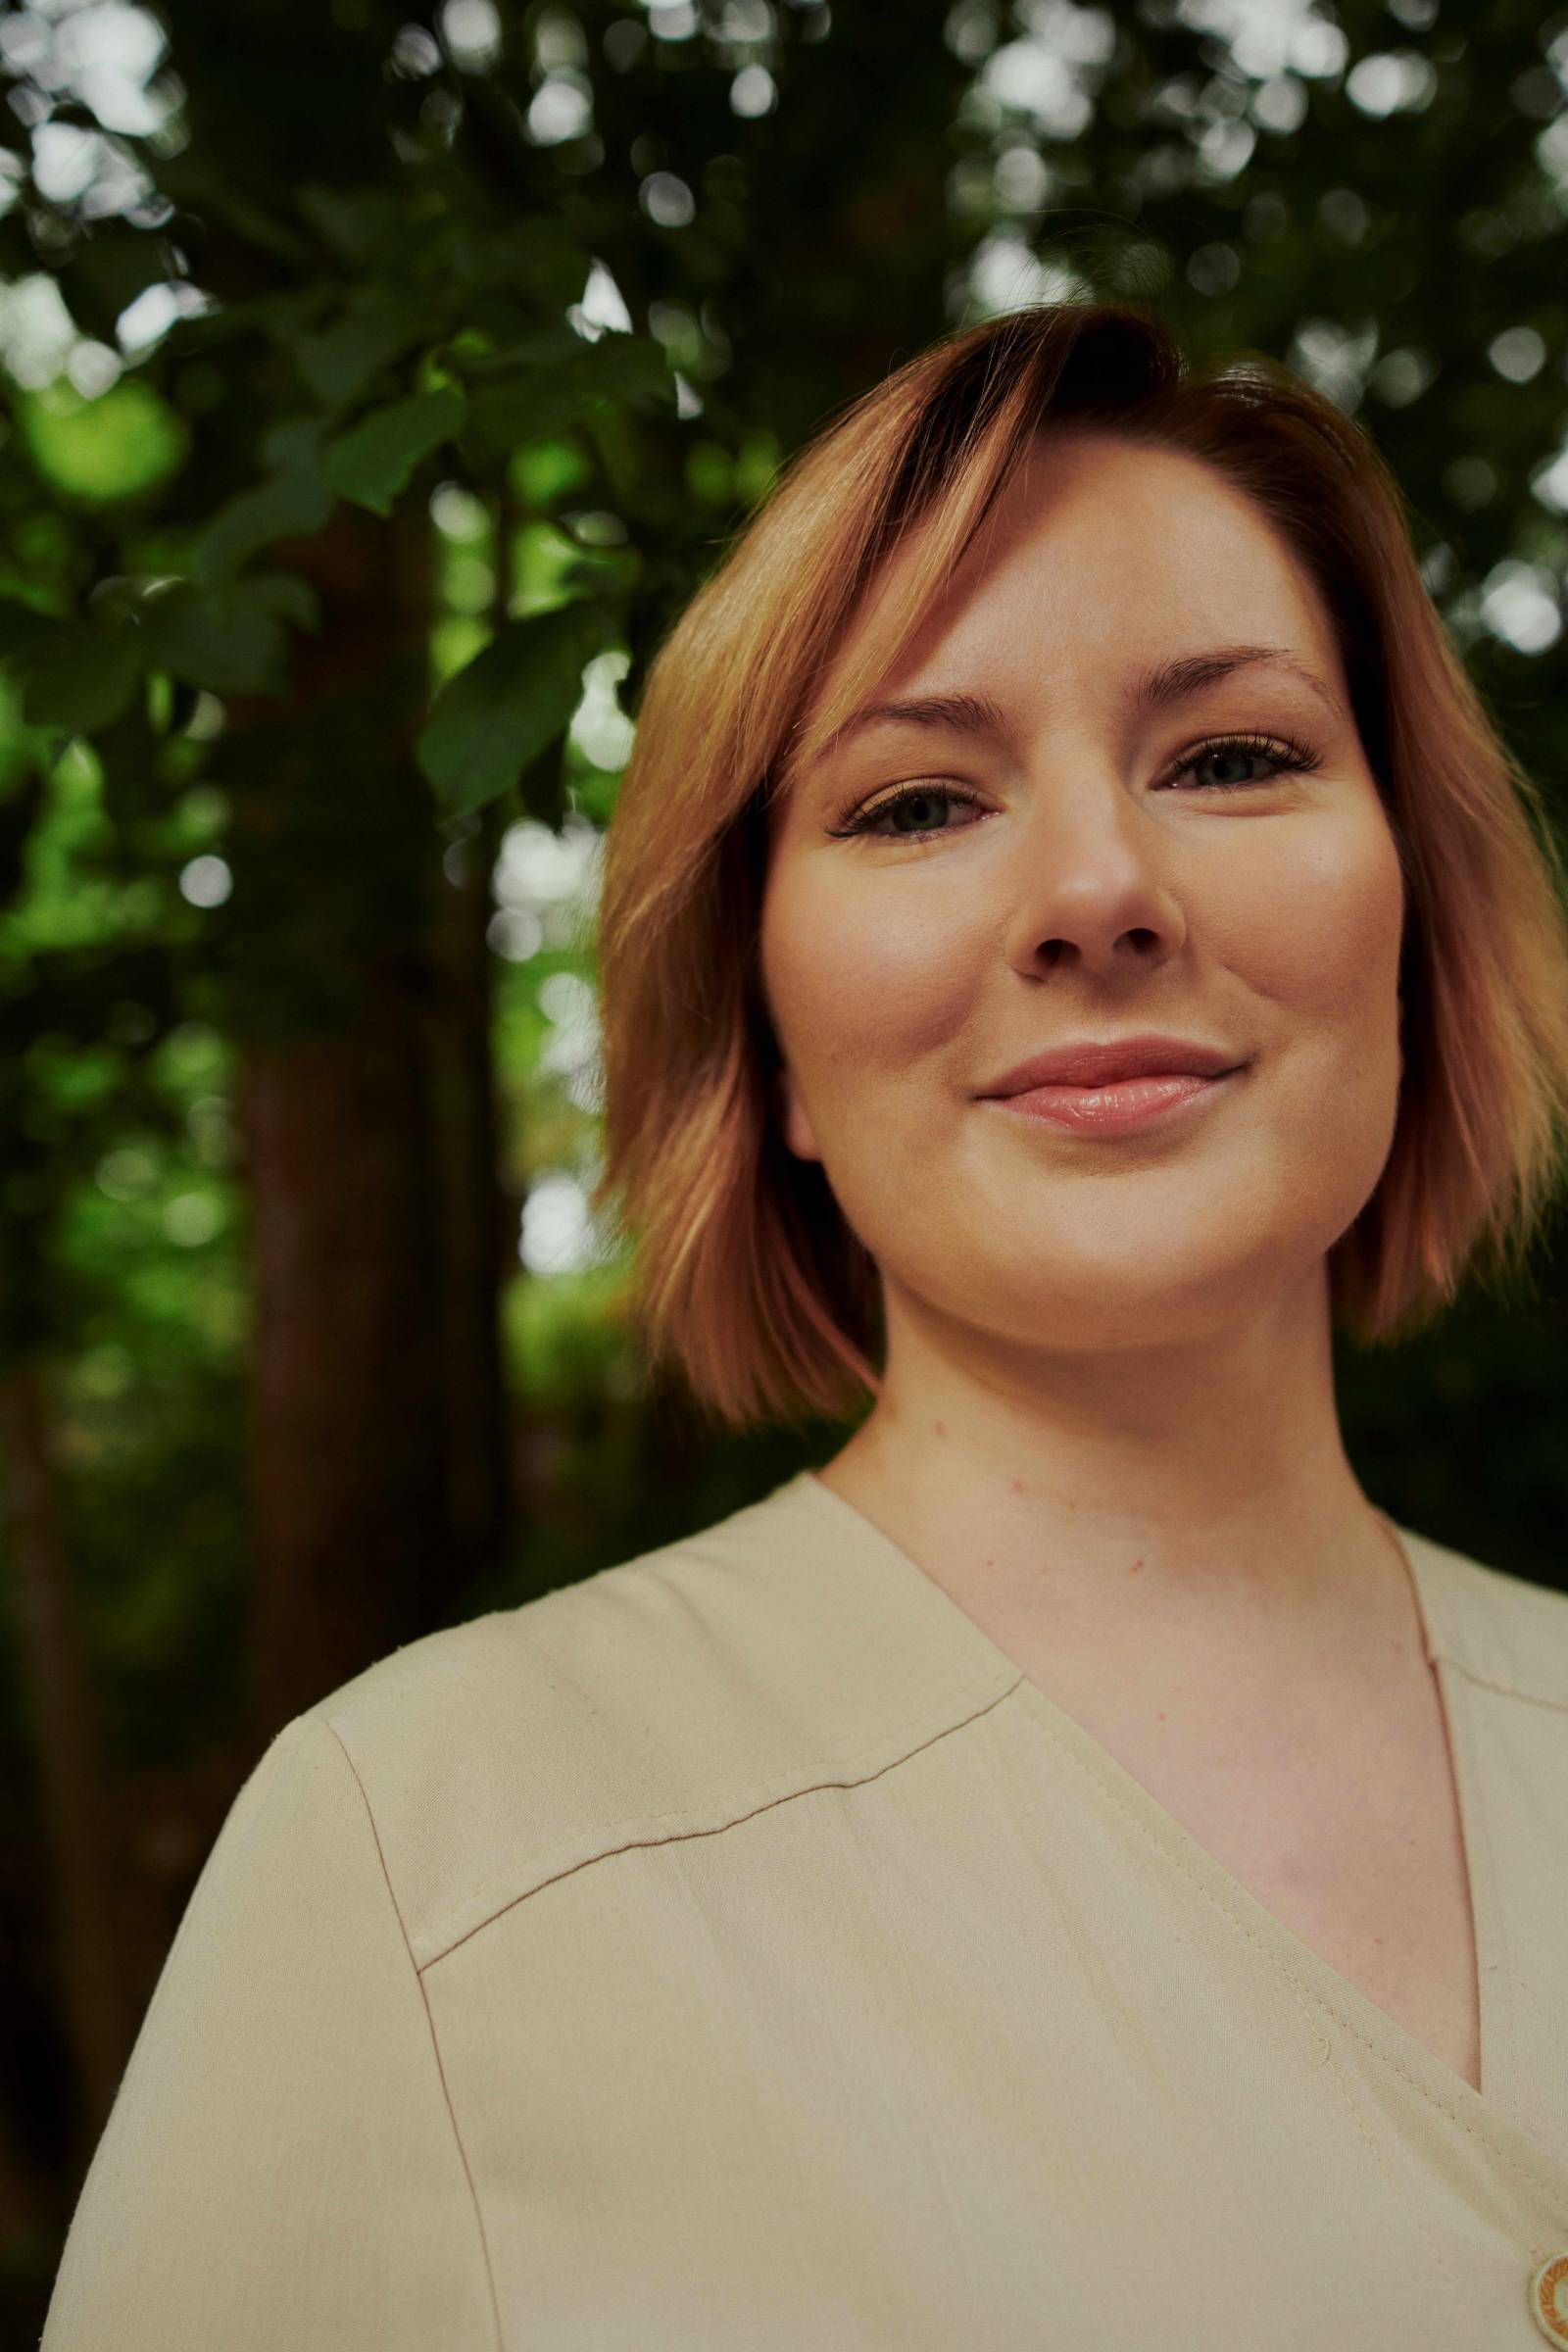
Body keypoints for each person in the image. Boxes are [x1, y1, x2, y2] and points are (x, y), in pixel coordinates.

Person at [40, 302, 1568, 2351]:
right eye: (916, 802)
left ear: (1415, 916)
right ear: (761, 1044)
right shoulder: (423, 1861)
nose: (1097, 888)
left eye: (1230, 757)